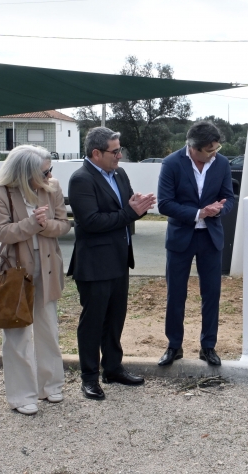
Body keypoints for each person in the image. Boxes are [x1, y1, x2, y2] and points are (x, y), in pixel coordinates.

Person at [67, 127, 156, 400]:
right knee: (93, 323)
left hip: (119, 259)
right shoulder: (81, 179)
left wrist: (138, 208)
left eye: (120, 150)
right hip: (94, 263)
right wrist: (130, 212)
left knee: (116, 318)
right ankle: (89, 377)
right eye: (115, 151)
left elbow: (125, 212)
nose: (120, 155)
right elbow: (91, 222)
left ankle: (113, 368)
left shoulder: (119, 174)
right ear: (96, 153)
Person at [0, 145, 71, 415]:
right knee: (18, 333)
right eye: (44, 172)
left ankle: (50, 384)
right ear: (25, 173)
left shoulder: (51, 187)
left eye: (50, 170)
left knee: (48, 327)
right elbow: (3, 233)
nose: (49, 176)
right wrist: (32, 224)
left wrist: (45, 225)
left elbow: (64, 224)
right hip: (15, 269)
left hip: (48, 265)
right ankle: (22, 395)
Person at [156, 121, 234, 367]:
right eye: (209, 150)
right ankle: (174, 346)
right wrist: (199, 213)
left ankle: (208, 346)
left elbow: (229, 198)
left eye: (216, 148)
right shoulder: (171, 163)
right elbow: (164, 204)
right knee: (176, 293)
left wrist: (219, 210)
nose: (214, 153)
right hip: (180, 237)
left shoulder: (222, 163)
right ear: (193, 147)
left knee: (211, 293)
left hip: (211, 238)